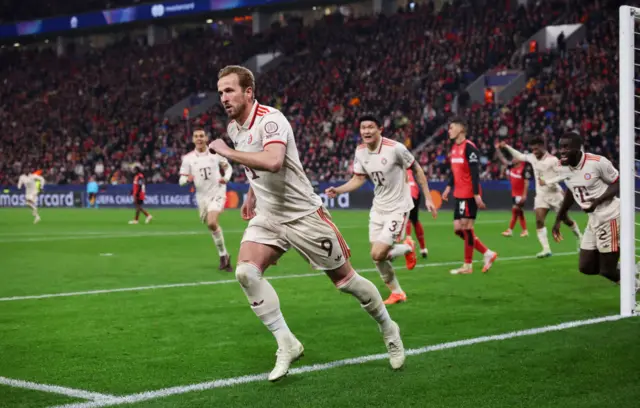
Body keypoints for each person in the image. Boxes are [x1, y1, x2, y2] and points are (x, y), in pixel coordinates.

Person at [209, 65, 404, 382]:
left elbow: (273, 161)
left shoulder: (271, 120)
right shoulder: (234, 128)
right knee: (245, 272)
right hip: (270, 215)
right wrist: (250, 195)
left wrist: (228, 153)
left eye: (229, 90)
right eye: (220, 92)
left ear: (249, 92)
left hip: (303, 215)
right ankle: (287, 343)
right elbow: (257, 169)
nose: (223, 98)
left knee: (347, 282)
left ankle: (388, 326)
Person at [326, 114, 436, 305]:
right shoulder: (360, 151)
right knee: (377, 256)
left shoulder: (395, 149)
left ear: (380, 129)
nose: (366, 131)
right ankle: (397, 292)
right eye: (363, 128)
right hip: (378, 207)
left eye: (370, 127)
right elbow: (358, 179)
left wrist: (428, 197)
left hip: (398, 207)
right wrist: (339, 189)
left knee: (378, 253)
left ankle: (407, 248)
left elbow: (417, 169)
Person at [552, 132, 620, 283]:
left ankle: (634, 286)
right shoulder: (562, 167)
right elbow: (571, 189)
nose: (562, 151)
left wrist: (597, 201)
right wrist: (560, 217)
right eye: (560, 147)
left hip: (610, 216)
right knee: (586, 267)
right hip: (593, 218)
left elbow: (617, 183)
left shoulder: (597, 162)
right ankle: (621, 269)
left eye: (566, 147)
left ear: (577, 148)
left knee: (607, 271)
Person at [499, 136, 581, 257]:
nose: (534, 151)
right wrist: (506, 146)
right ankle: (546, 249)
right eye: (532, 149)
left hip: (555, 194)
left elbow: (564, 176)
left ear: (543, 146)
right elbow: (520, 156)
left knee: (565, 220)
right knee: (539, 220)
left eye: (536, 149)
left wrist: (548, 182)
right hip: (541, 195)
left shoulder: (553, 160)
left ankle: (580, 237)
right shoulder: (532, 157)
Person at [442, 117, 498, 275]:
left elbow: (475, 174)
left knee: (467, 228)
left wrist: (476, 195)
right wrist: (447, 188)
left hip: (469, 194)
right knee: (458, 229)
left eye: (451, 127)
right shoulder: (454, 148)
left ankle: (467, 266)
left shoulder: (470, 148)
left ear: (461, 129)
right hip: (459, 193)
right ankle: (488, 253)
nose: (449, 131)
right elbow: (455, 171)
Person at [179, 128, 233, 272]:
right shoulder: (188, 158)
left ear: (206, 138)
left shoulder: (215, 154)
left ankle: (223, 257)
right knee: (211, 225)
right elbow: (181, 180)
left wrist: (226, 178)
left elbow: (228, 168)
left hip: (217, 191)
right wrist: (186, 179)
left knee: (212, 222)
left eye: (202, 136)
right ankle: (224, 255)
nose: (199, 139)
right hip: (201, 197)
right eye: (196, 136)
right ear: (193, 139)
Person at [495, 143, 531, 237]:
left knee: (516, 211)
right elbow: (503, 160)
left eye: (515, 157)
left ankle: (511, 230)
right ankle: (523, 231)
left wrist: (524, 195)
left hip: (520, 195)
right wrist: (497, 150)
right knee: (519, 213)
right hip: (514, 194)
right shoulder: (511, 167)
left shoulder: (524, 169)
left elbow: (526, 182)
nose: (513, 159)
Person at [406, 168, 429, 258]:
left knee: (405, 218)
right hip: (415, 192)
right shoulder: (409, 167)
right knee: (415, 220)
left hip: (407, 194)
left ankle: (409, 242)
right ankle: (423, 248)